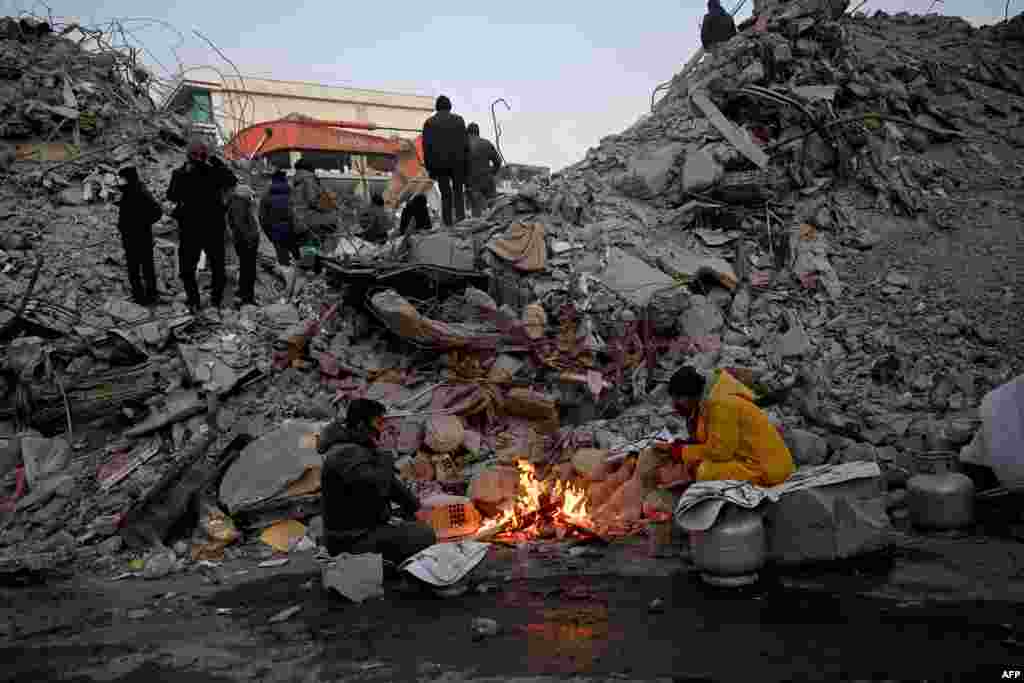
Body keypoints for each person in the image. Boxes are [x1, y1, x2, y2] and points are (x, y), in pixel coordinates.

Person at [317, 398, 437, 564]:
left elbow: (391, 485)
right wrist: (386, 452)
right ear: (361, 426)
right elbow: (379, 486)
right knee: (425, 535)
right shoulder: (343, 454)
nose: (383, 429)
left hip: (361, 528)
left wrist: (416, 507)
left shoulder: (357, 445)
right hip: (351, 540)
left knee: (413, 520)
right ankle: (379, 565)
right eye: (379, 423)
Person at [660, 366, 795, 486]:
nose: (676, 404)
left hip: (767, 470)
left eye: (678, 399)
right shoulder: (711, 401)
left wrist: (683, 451)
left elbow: (720, 452)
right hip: (757, 460)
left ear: (688, 395)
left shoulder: (721, 404)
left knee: (704, 471)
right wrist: (686, 445)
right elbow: (714, 438)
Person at [167, 139, 236, 312]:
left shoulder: (180, 173)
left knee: (187, 268)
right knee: (217, 267)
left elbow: (172, 196)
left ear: (188, 156)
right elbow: (231, 180)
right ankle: (214, 302)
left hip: (190, 228)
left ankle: (194, 301)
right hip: (213, 227)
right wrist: (216, 162)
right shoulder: (213, 172)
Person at [115, 166, 162, 305]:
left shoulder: (140, 192)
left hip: (138, 236)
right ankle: (146, 296)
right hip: (135, 236)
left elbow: (157, 212)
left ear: (128, 178)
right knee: (142, 268)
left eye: (121, 178)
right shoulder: (130, 191)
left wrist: (141, 223)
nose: (119, 181)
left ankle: (145, 297)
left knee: (138, 268)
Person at [422, 95, 468, 227]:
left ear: (437, 107)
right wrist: (466, 167)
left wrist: (430, 169)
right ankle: (461, 222)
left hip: (439, 165)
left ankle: (448, 224)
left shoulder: (429, 123)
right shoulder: (459, 121)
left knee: (446, 194)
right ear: (450, 106)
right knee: (458, 193)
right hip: (457, 164)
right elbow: (465, 146)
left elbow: (427, 148)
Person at [226, 182, 261, 306]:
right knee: (249, 270)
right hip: (246, 243)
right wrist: (250, 239)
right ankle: (247, 298)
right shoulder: (239, 205)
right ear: (244, 194)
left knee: (246, 268)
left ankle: (243, 294)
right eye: (250, 195)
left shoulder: (237, 203)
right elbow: (240, 225)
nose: (251, 198)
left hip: (243, 242)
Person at [259, 168, 300, 266]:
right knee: (300, 260)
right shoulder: (293, 193)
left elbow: (262, 218)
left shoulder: (266, 196)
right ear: (285, 179)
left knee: (284, 262)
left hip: (276, 231)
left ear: (273, 180)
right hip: (294, 230)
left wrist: (270, 234)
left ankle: (288, 278)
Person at [465, 122, 502, 218]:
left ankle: (476, 230)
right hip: (488, 180)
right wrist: (491, 172)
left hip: (472, 182)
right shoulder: (487, 143)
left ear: (467, 132)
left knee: (476, 212)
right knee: (494, 209)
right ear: (478, 132)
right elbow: (498, 162)